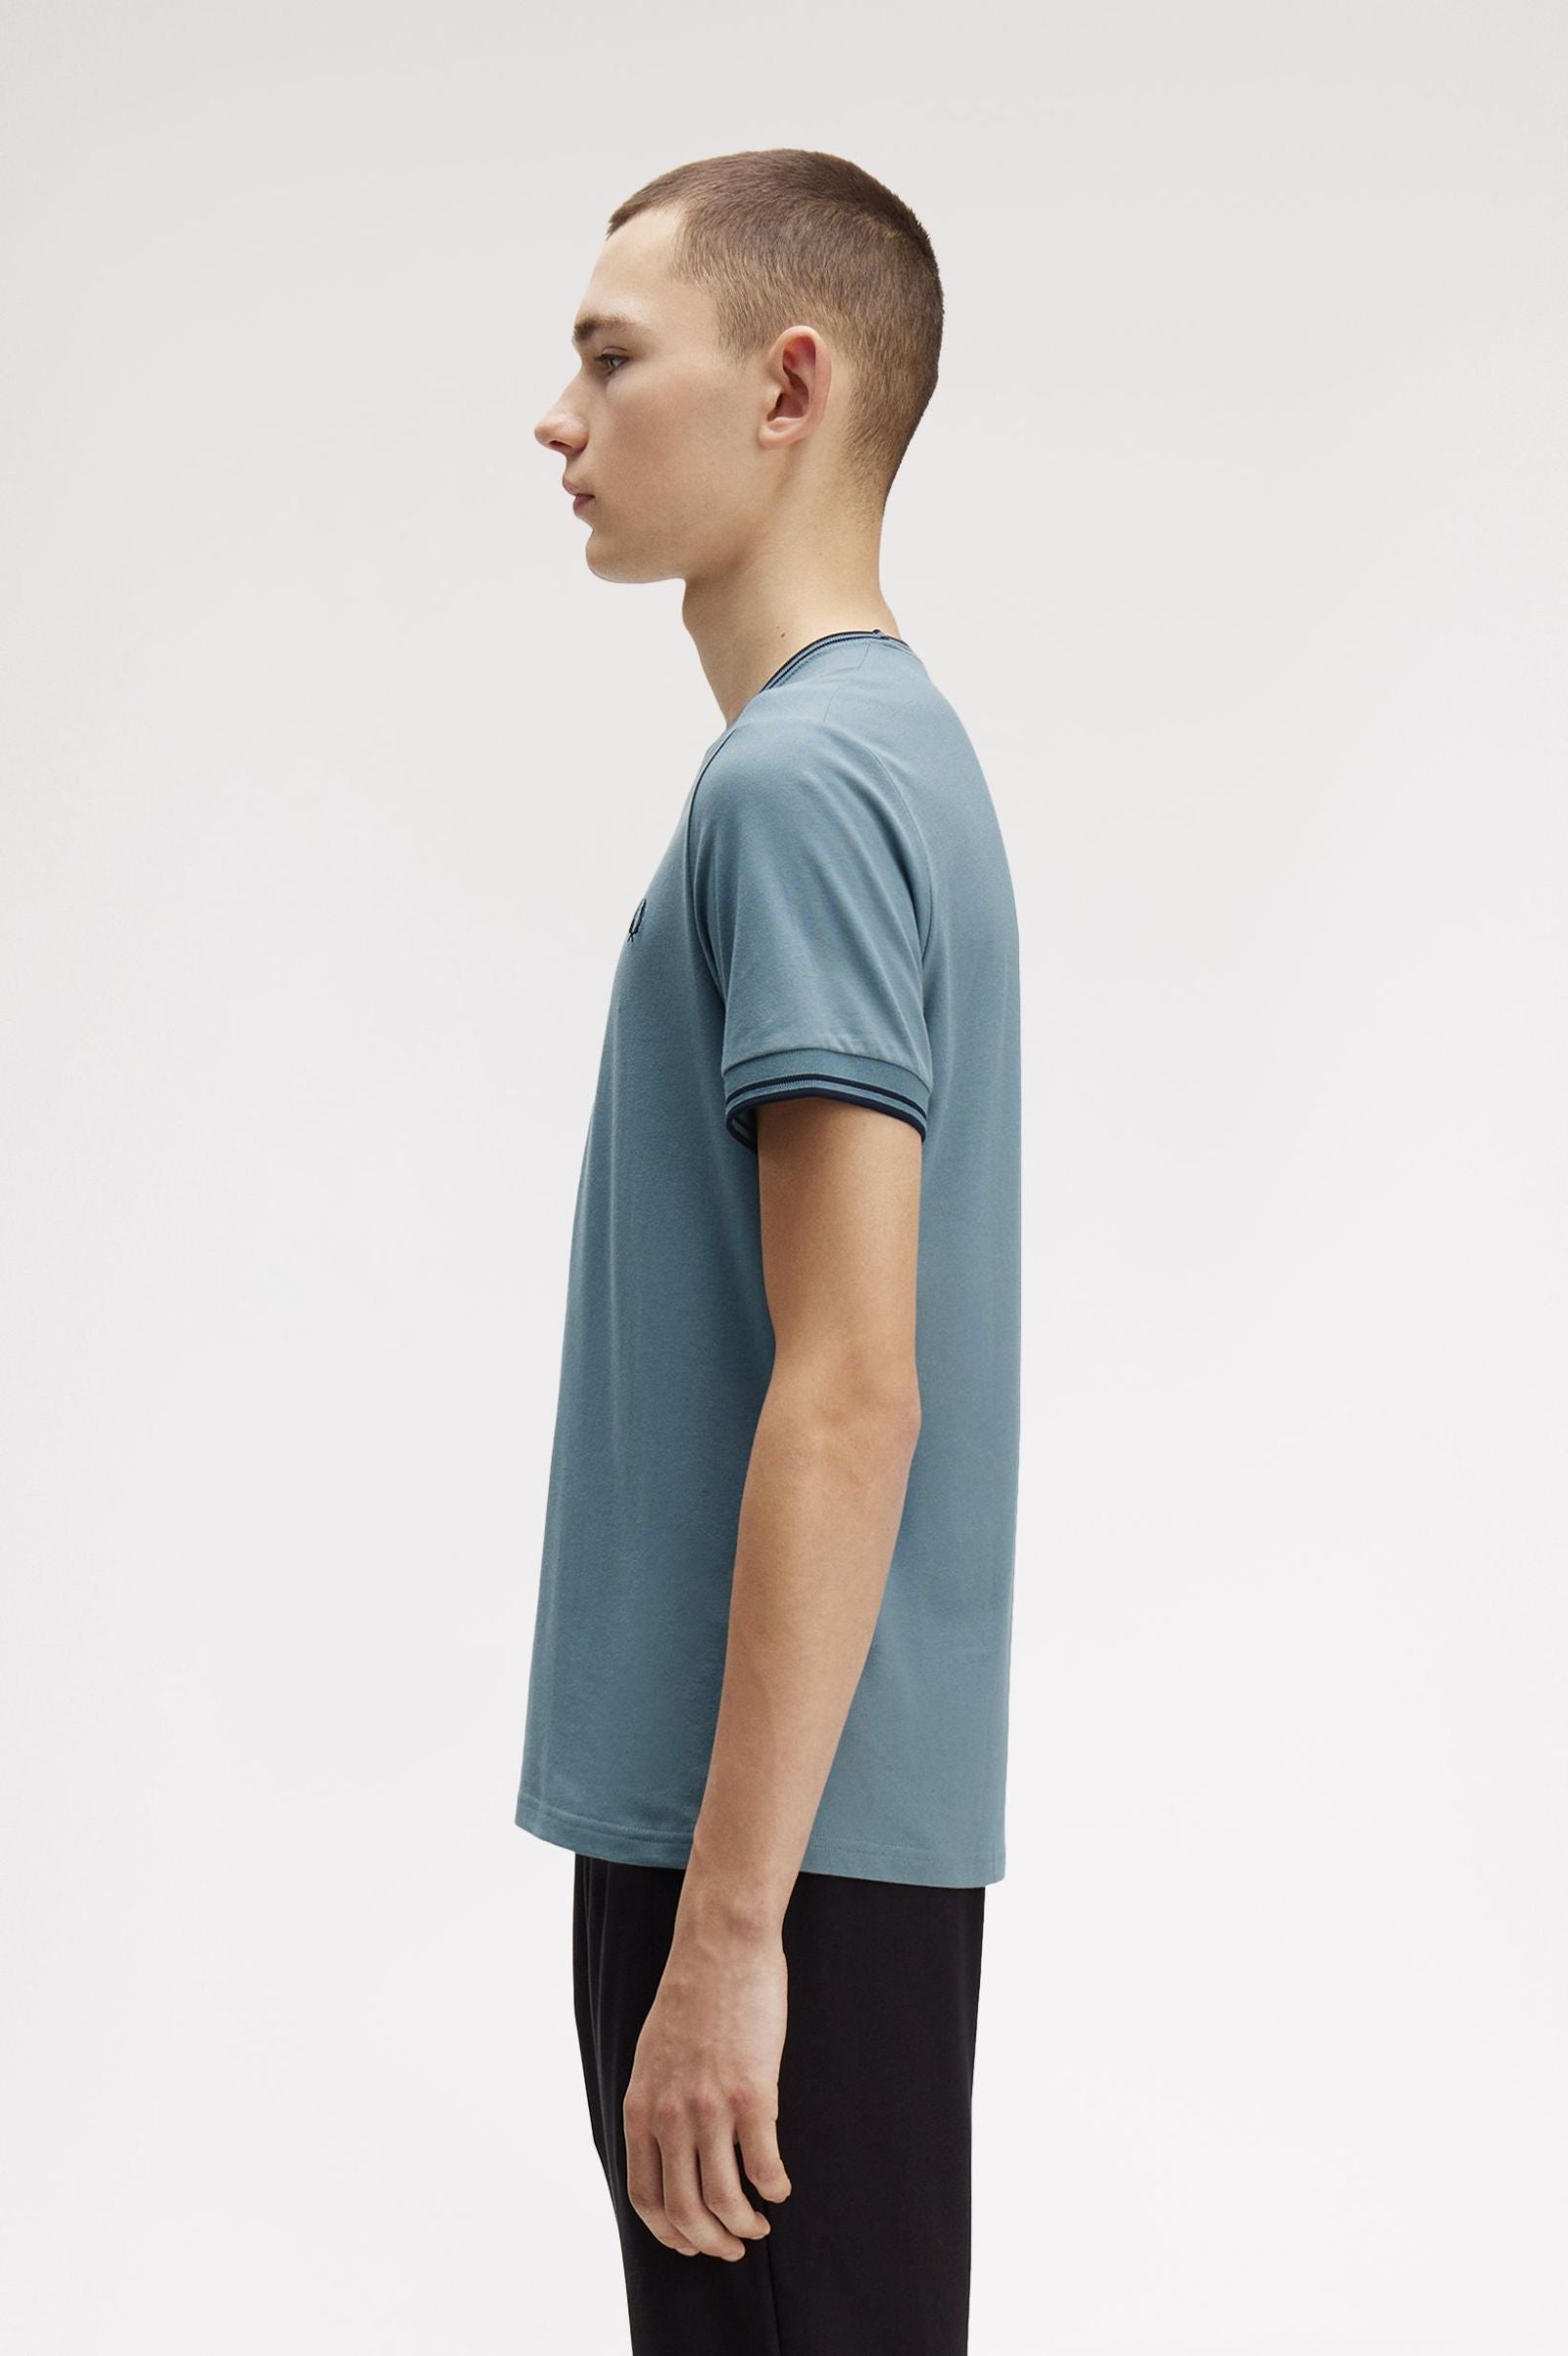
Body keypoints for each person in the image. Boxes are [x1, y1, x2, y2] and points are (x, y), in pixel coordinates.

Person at [514, 147, 1021, 2355]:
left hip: (770, 1845)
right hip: (806, 1827)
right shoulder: (884, 756)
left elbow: (851, 1382)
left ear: (789, 384)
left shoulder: (800, 788)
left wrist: (727, 1932)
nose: (558, 417)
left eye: (611, 357)